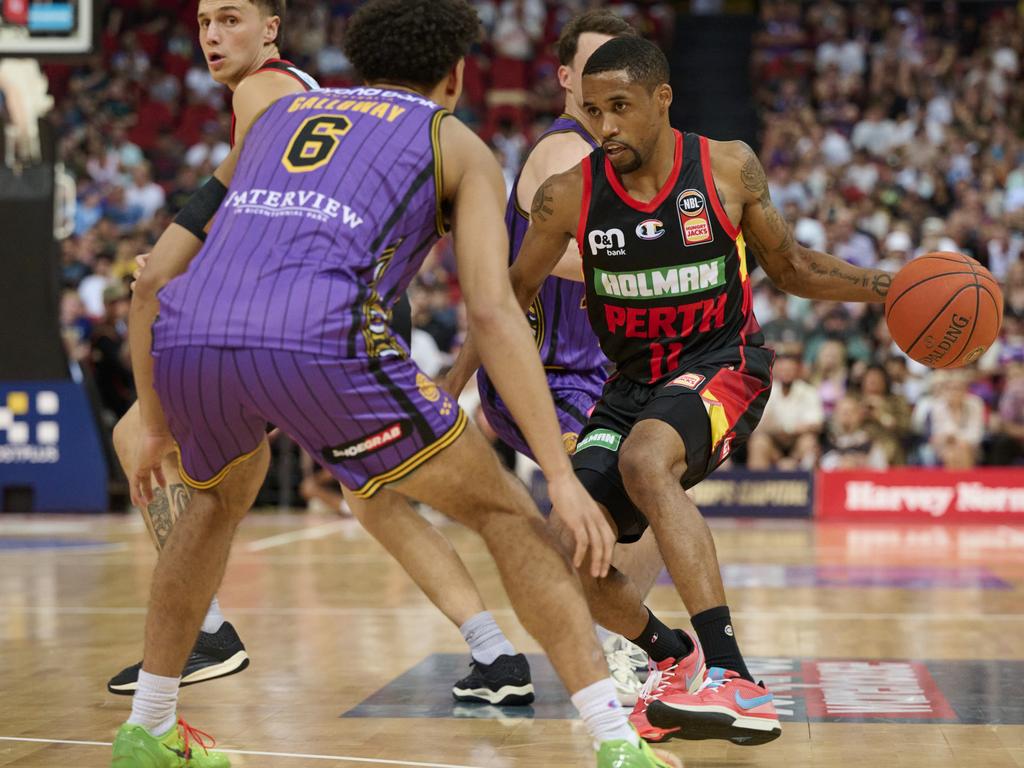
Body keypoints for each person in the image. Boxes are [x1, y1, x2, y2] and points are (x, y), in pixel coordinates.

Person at [111, 2, 676, 766]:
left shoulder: (275, 114)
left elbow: (150, 287)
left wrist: (150, 426)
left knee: (209, 505)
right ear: (456, 75)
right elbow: (494, 310)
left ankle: (148, 728)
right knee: (510, 517)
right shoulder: (457, 142)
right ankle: (615, 742)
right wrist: (560, 479)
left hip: (193, 332)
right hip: (323, 336)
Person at [447, 36, 894, 746]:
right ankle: (671, 657)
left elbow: (795, 267)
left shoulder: (725, 167)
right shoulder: (567, 195)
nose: (607, 126)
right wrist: (455, 382)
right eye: (593, 112)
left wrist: (892, 288)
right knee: (569, 545)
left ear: (663, 99)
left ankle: (731, 673)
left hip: (725, 360)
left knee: (645, 461)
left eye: (621, 107)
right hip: (631, 383)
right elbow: (510, 295)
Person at [445, 7, 664, 707]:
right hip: (550, 375)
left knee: (637, 503)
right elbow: (558, 259)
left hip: (599, 372)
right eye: (593, 67)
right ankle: (617, 652)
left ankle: (504, 653)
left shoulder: (625, 158)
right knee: (627, 495)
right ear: (567, 77)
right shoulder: (565, 150)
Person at [107, 0, 319, 697]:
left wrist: (178, 267)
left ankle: (204, 631)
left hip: (294, 315)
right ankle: (493, 644)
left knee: (141, 431)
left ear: (270, 28)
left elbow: (271, 214)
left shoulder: (264, 91)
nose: (211, 36)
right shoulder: (290, 93)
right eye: (203, 23)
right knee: (389, 498)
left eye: (230, 19)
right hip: (324, 307)